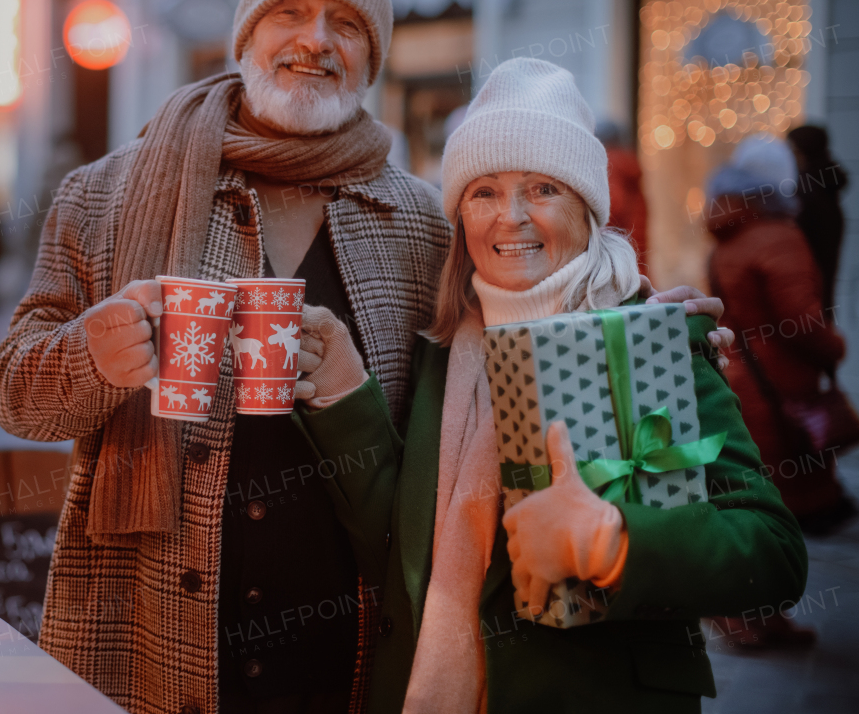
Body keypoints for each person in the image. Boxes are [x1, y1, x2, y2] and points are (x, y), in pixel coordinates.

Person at [0, 0, 449, 714]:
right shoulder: (102, 195)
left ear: (372, 62)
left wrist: (655, 314)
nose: (316, 39)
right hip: (147, 635)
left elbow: (470, 402)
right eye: (291, 14)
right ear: (244, 37)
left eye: (347, 24)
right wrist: (90, 356)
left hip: (340, 651)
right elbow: (13, 393)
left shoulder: (422, 223)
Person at [291, 58, 806, 712]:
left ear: (586, 206)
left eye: (542, 188)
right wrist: (344, 390)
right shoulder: (446, 354)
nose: (510, 216)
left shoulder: (648, 342)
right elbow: (399, 549)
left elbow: (775, 553)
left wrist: (617, 542)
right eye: (483, 192)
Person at [706, 136, 854, 537]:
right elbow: (801, 320)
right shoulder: (779, 237)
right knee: (800, 502)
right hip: (783, 386)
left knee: (765, 491)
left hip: (745, 382)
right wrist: (835, 346)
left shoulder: (726, 240)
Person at [787, 124, 847, 315]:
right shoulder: (825, 194)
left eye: (791, 150)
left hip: (804, 306)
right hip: (819, 301)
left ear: (801, 152)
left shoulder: (806, 196)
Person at [597, 121, 648, 270]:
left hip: (618, 259)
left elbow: (611, 210)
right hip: (634, 253)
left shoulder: (612, 166)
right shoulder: (630, 164)